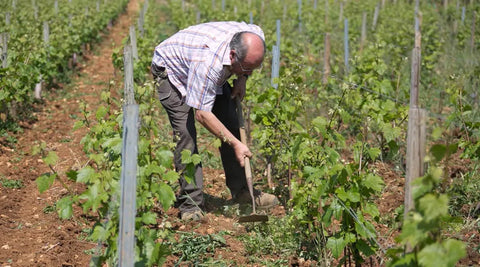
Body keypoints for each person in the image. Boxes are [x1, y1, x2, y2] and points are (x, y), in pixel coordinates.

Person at [151, 21, 279, 221]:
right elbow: (203, 114)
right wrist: (236, 145)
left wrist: (243, 77)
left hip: (205, 65)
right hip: (173, 72)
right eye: (246, 67)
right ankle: (191, 203)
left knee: (230, 122)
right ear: (233, 55)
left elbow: (248, 59)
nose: (250, 71)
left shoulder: (254, 36)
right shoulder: (207, 63)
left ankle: (242, 192)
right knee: (186, 137)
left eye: (255, 67)